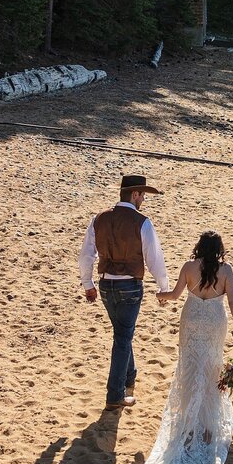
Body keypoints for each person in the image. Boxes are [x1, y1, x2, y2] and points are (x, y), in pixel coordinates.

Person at [126, 232, 233, 464]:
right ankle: (206, 428)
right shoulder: (226, 271)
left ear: (199, 248)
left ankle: (189, 426)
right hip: (215, 323)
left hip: (191, 321)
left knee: (190, 370)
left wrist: (161, 296)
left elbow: (176, 295)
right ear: (219, 250)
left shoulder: (189, 267)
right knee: (211, 369)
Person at [79, 174, 171, 410]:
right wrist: (164, 287)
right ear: (134, 194)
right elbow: (154, 258)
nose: (143, 200)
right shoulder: (142, 222)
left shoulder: (99, 219)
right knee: (122, 338)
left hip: (105, 284)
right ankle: (114, 395)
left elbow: (87, 255)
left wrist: (88, 284)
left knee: (122, 333)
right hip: (129, 285)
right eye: (142, 195)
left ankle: (130, 377)